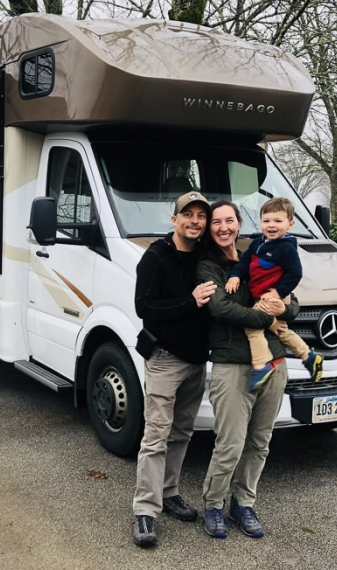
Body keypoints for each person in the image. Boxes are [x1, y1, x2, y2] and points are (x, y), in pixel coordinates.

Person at [197, 200, 299, 540]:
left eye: (230, 220)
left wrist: (283, 303)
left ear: (240, 224)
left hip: (273, 362)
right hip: (231, 365)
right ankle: (213, 504)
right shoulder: (207, 266)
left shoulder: (260, 253)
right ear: (210, 228)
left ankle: (243, 503)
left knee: (259, 442)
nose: (224, 227)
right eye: (216, 222)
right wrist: (270, 315)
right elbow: (220, 308)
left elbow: (294, 303)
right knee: (230, 444)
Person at [132, 190, 218, 548]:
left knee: (182, 432)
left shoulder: (204, 255)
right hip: (166, 358)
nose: (195, 221)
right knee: (156, 436)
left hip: (197, 359)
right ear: (174, 219)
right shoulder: (156, 257)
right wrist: (191, 301)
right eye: (189, 214)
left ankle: (169, 494)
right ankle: (144, 512)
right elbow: (144, 307)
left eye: (201, 216)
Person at [224, 197, 323, 391]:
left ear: (290, 224)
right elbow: (245, 264)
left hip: (274, 297)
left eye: (278, 221)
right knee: (280, 330)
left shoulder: (286, 248)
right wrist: (235, 276)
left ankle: (261, 365)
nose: (271, 226)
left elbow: (295, 274)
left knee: (252, 327)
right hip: (263, 295)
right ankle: (309, 356)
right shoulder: (257, 243)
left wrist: (277, 294)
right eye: (266, 221)